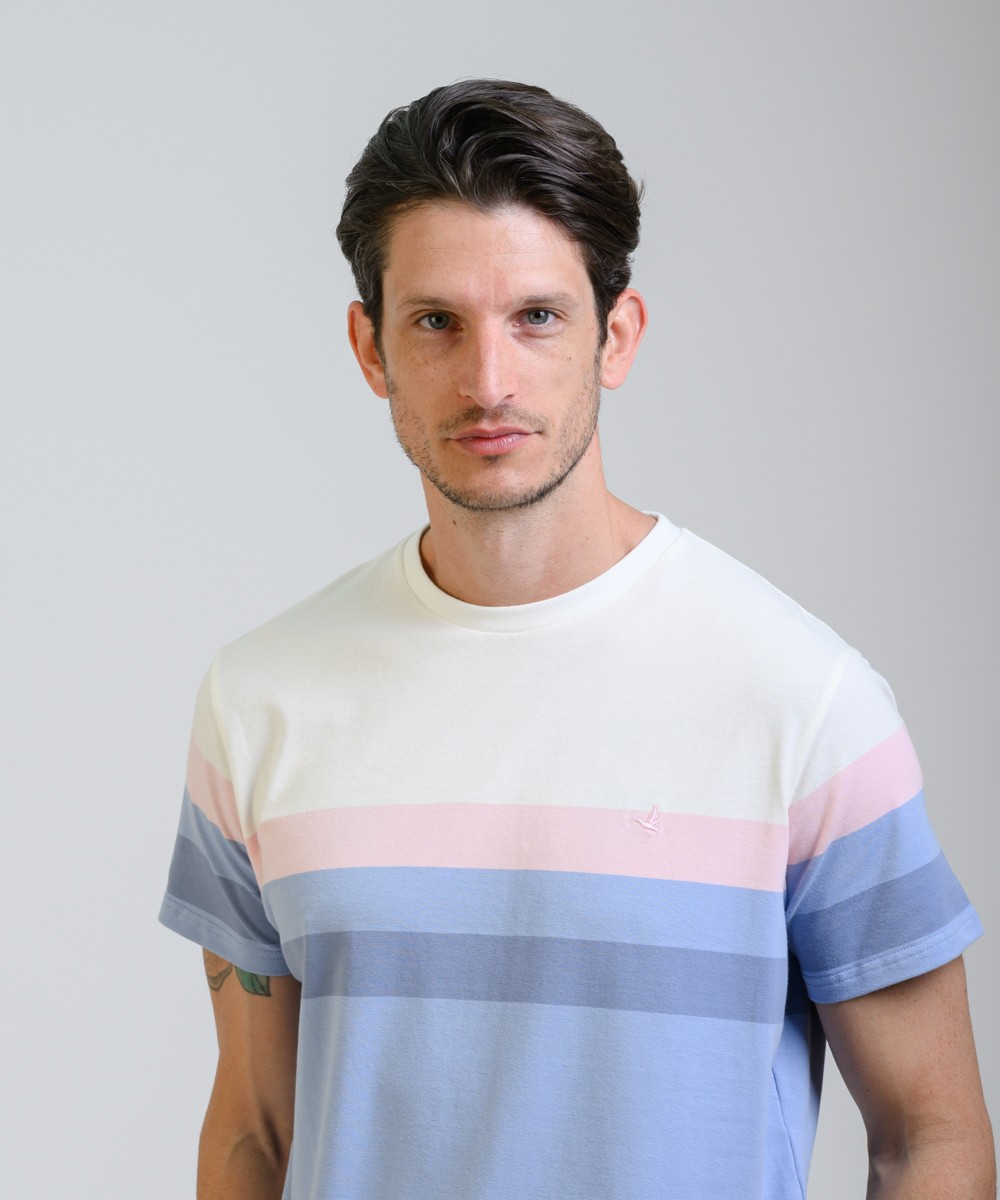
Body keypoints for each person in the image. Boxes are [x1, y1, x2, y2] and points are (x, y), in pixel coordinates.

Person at [160, 79, 994, 1199]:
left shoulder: (802, 701)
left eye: (537, 317)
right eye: (437, 322)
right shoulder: (259, 701)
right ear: (370, 348)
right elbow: (253, 1137)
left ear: (617, 335)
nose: (488, 380)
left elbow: (931, 1137)